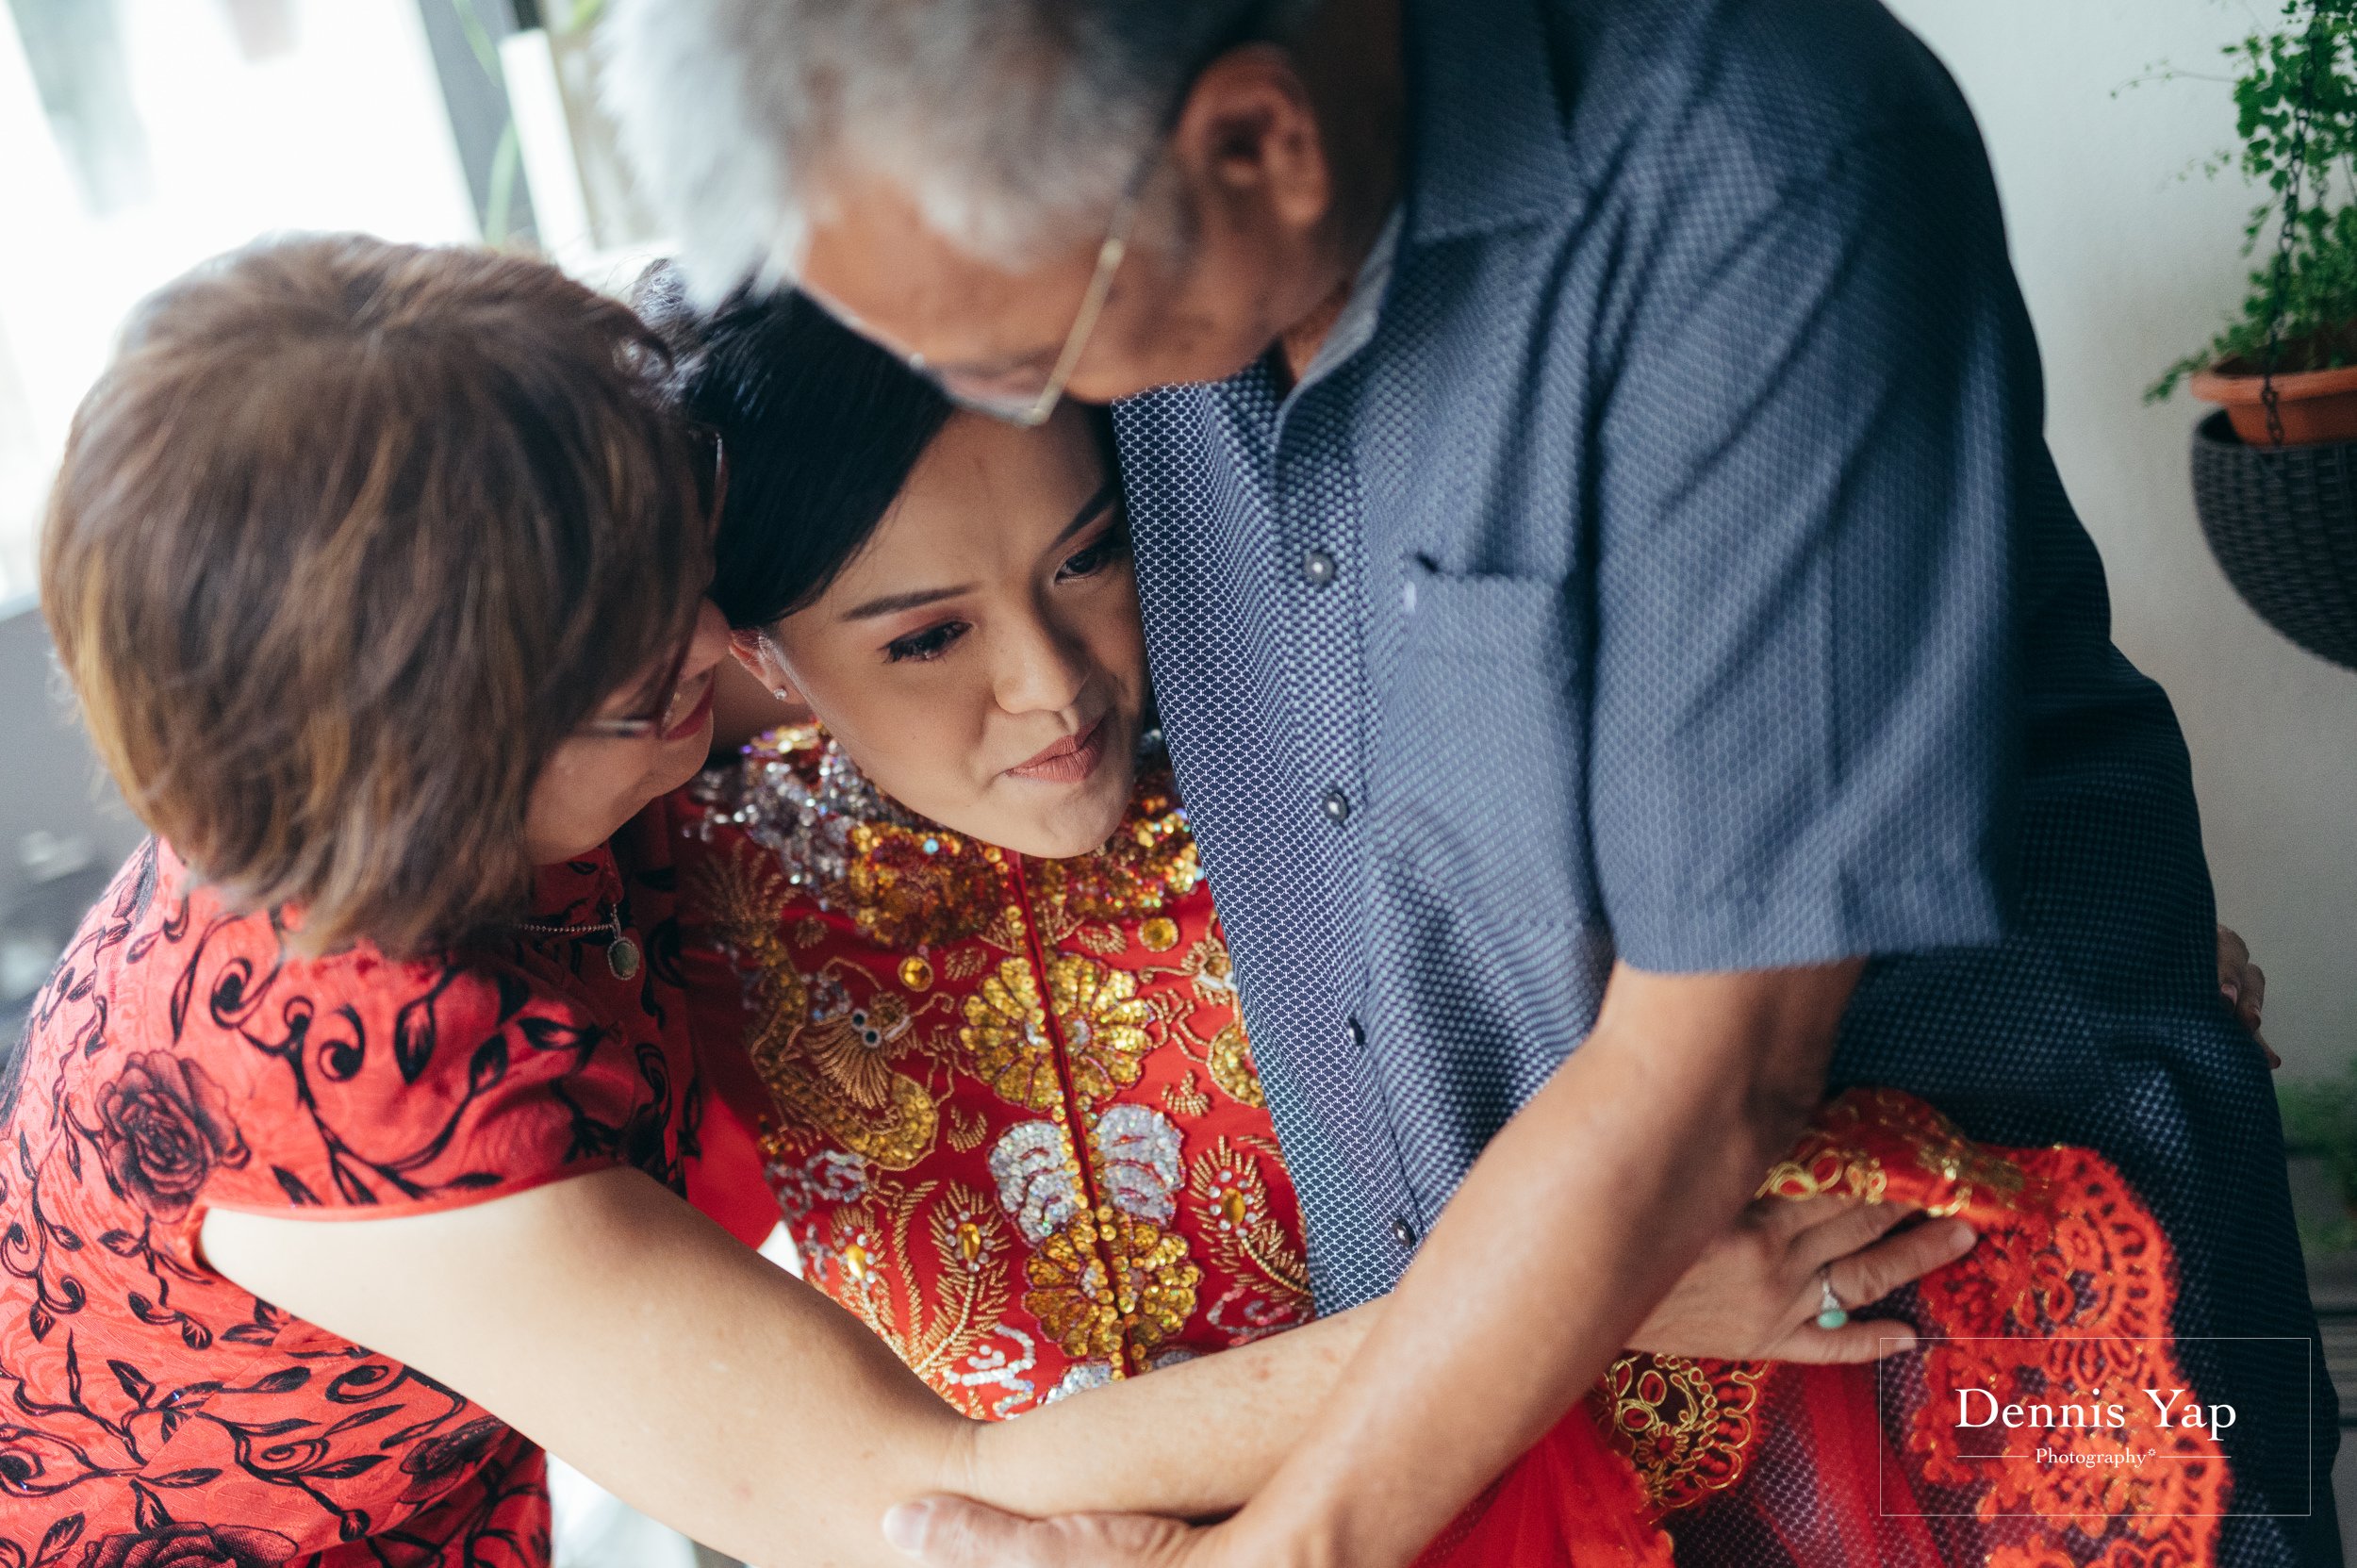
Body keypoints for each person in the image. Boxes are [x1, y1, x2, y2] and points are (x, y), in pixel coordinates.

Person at [603, 3, 2335, 1564]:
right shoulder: (1118, 242)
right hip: (1504, 1426)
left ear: (1259, 144)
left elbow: (1703, 1083)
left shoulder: (1762, 174)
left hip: (1966, 1339)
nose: (1012, 403)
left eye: (1016, 357)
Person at [0, 233, 1953, 1565]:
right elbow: (910, 1499)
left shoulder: (505, 631)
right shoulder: (344, 1070)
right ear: (447, 763)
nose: (718, 651)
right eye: (648, 674)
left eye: (689, 571)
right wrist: (1591, 1290)